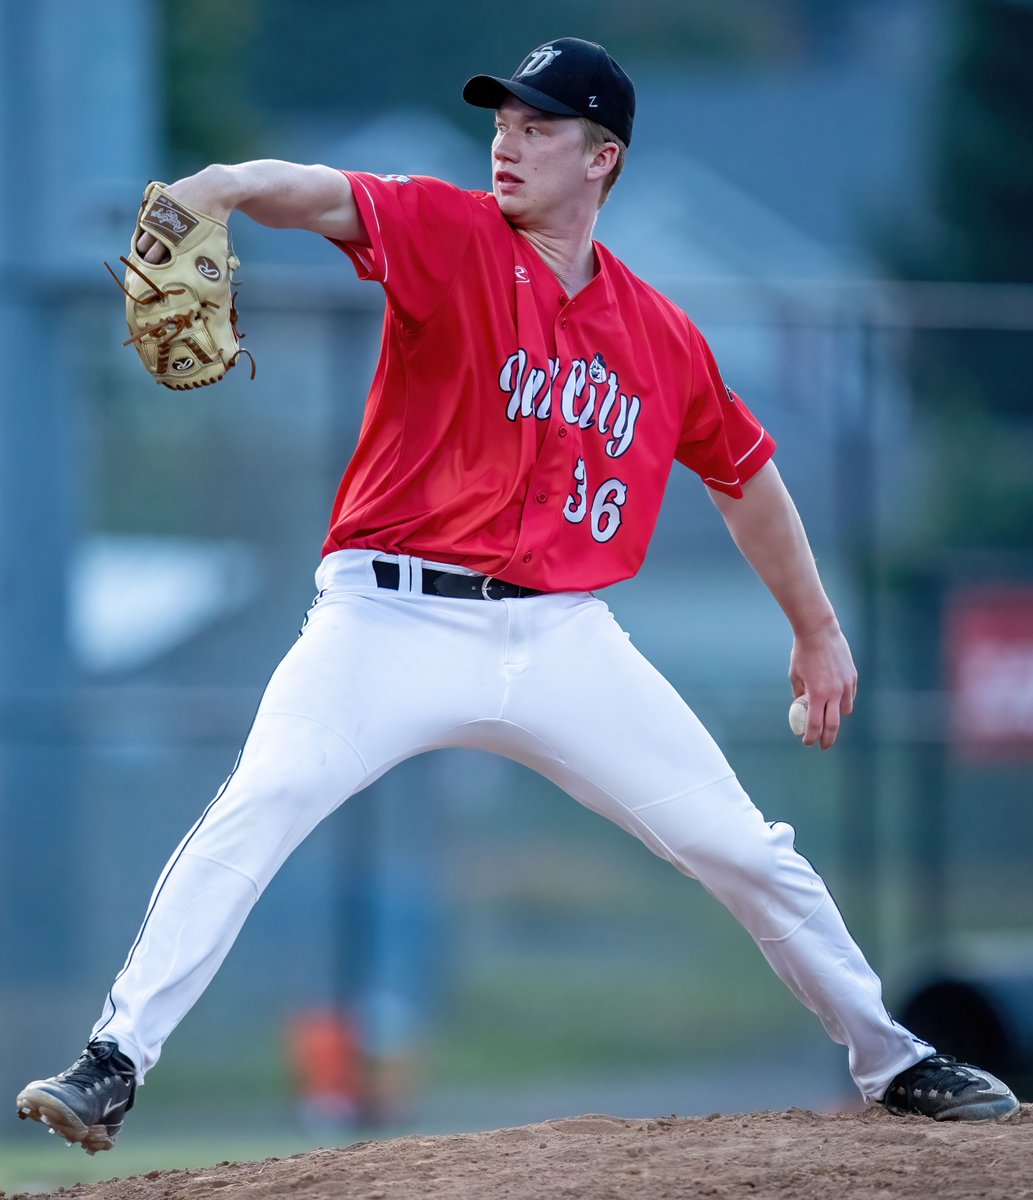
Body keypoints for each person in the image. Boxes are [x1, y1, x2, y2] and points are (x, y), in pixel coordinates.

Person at [16, 38, 1018, 1154]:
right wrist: (224, 187)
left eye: (539, 127)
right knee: (264, 802)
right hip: (385, 618)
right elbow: (329, 197)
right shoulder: (449, 236)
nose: (507, 141)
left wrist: (818, 628)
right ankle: (113, 1061)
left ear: (603, 159)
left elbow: (745, 475)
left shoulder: (660, 336)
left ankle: (894, 1057)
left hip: (560, 636)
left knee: (743, 847)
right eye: (502, 121)